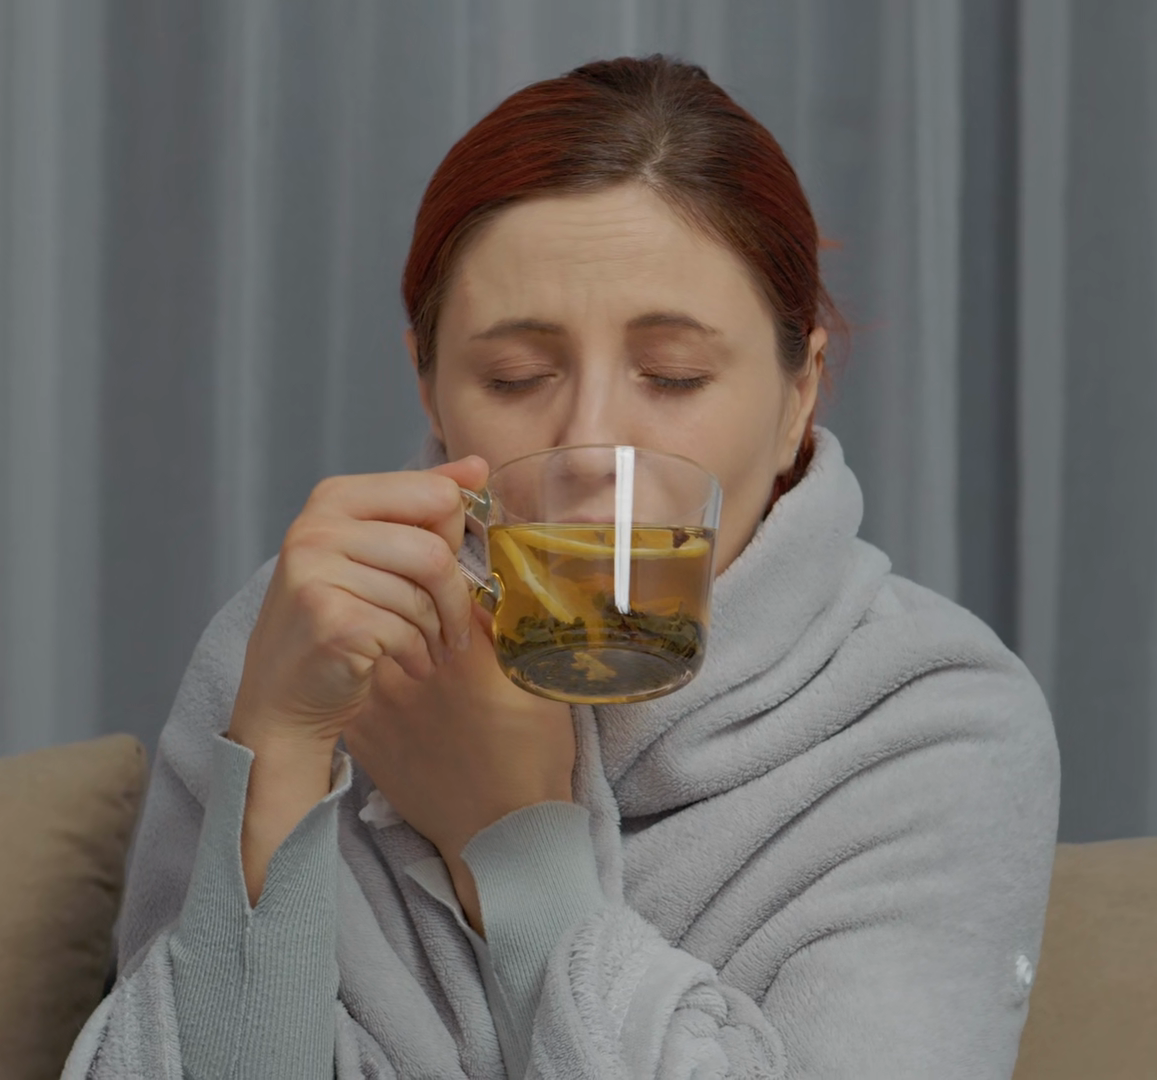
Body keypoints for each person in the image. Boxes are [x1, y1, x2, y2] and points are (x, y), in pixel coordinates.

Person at [65, 55, 1059, 1079]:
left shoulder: (932, 724)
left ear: (797, 396)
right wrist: (277, 745)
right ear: (431, 389)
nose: (590, 448)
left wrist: (514, 845)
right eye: (516, 376)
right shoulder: (304, 640)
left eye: (672, 375)